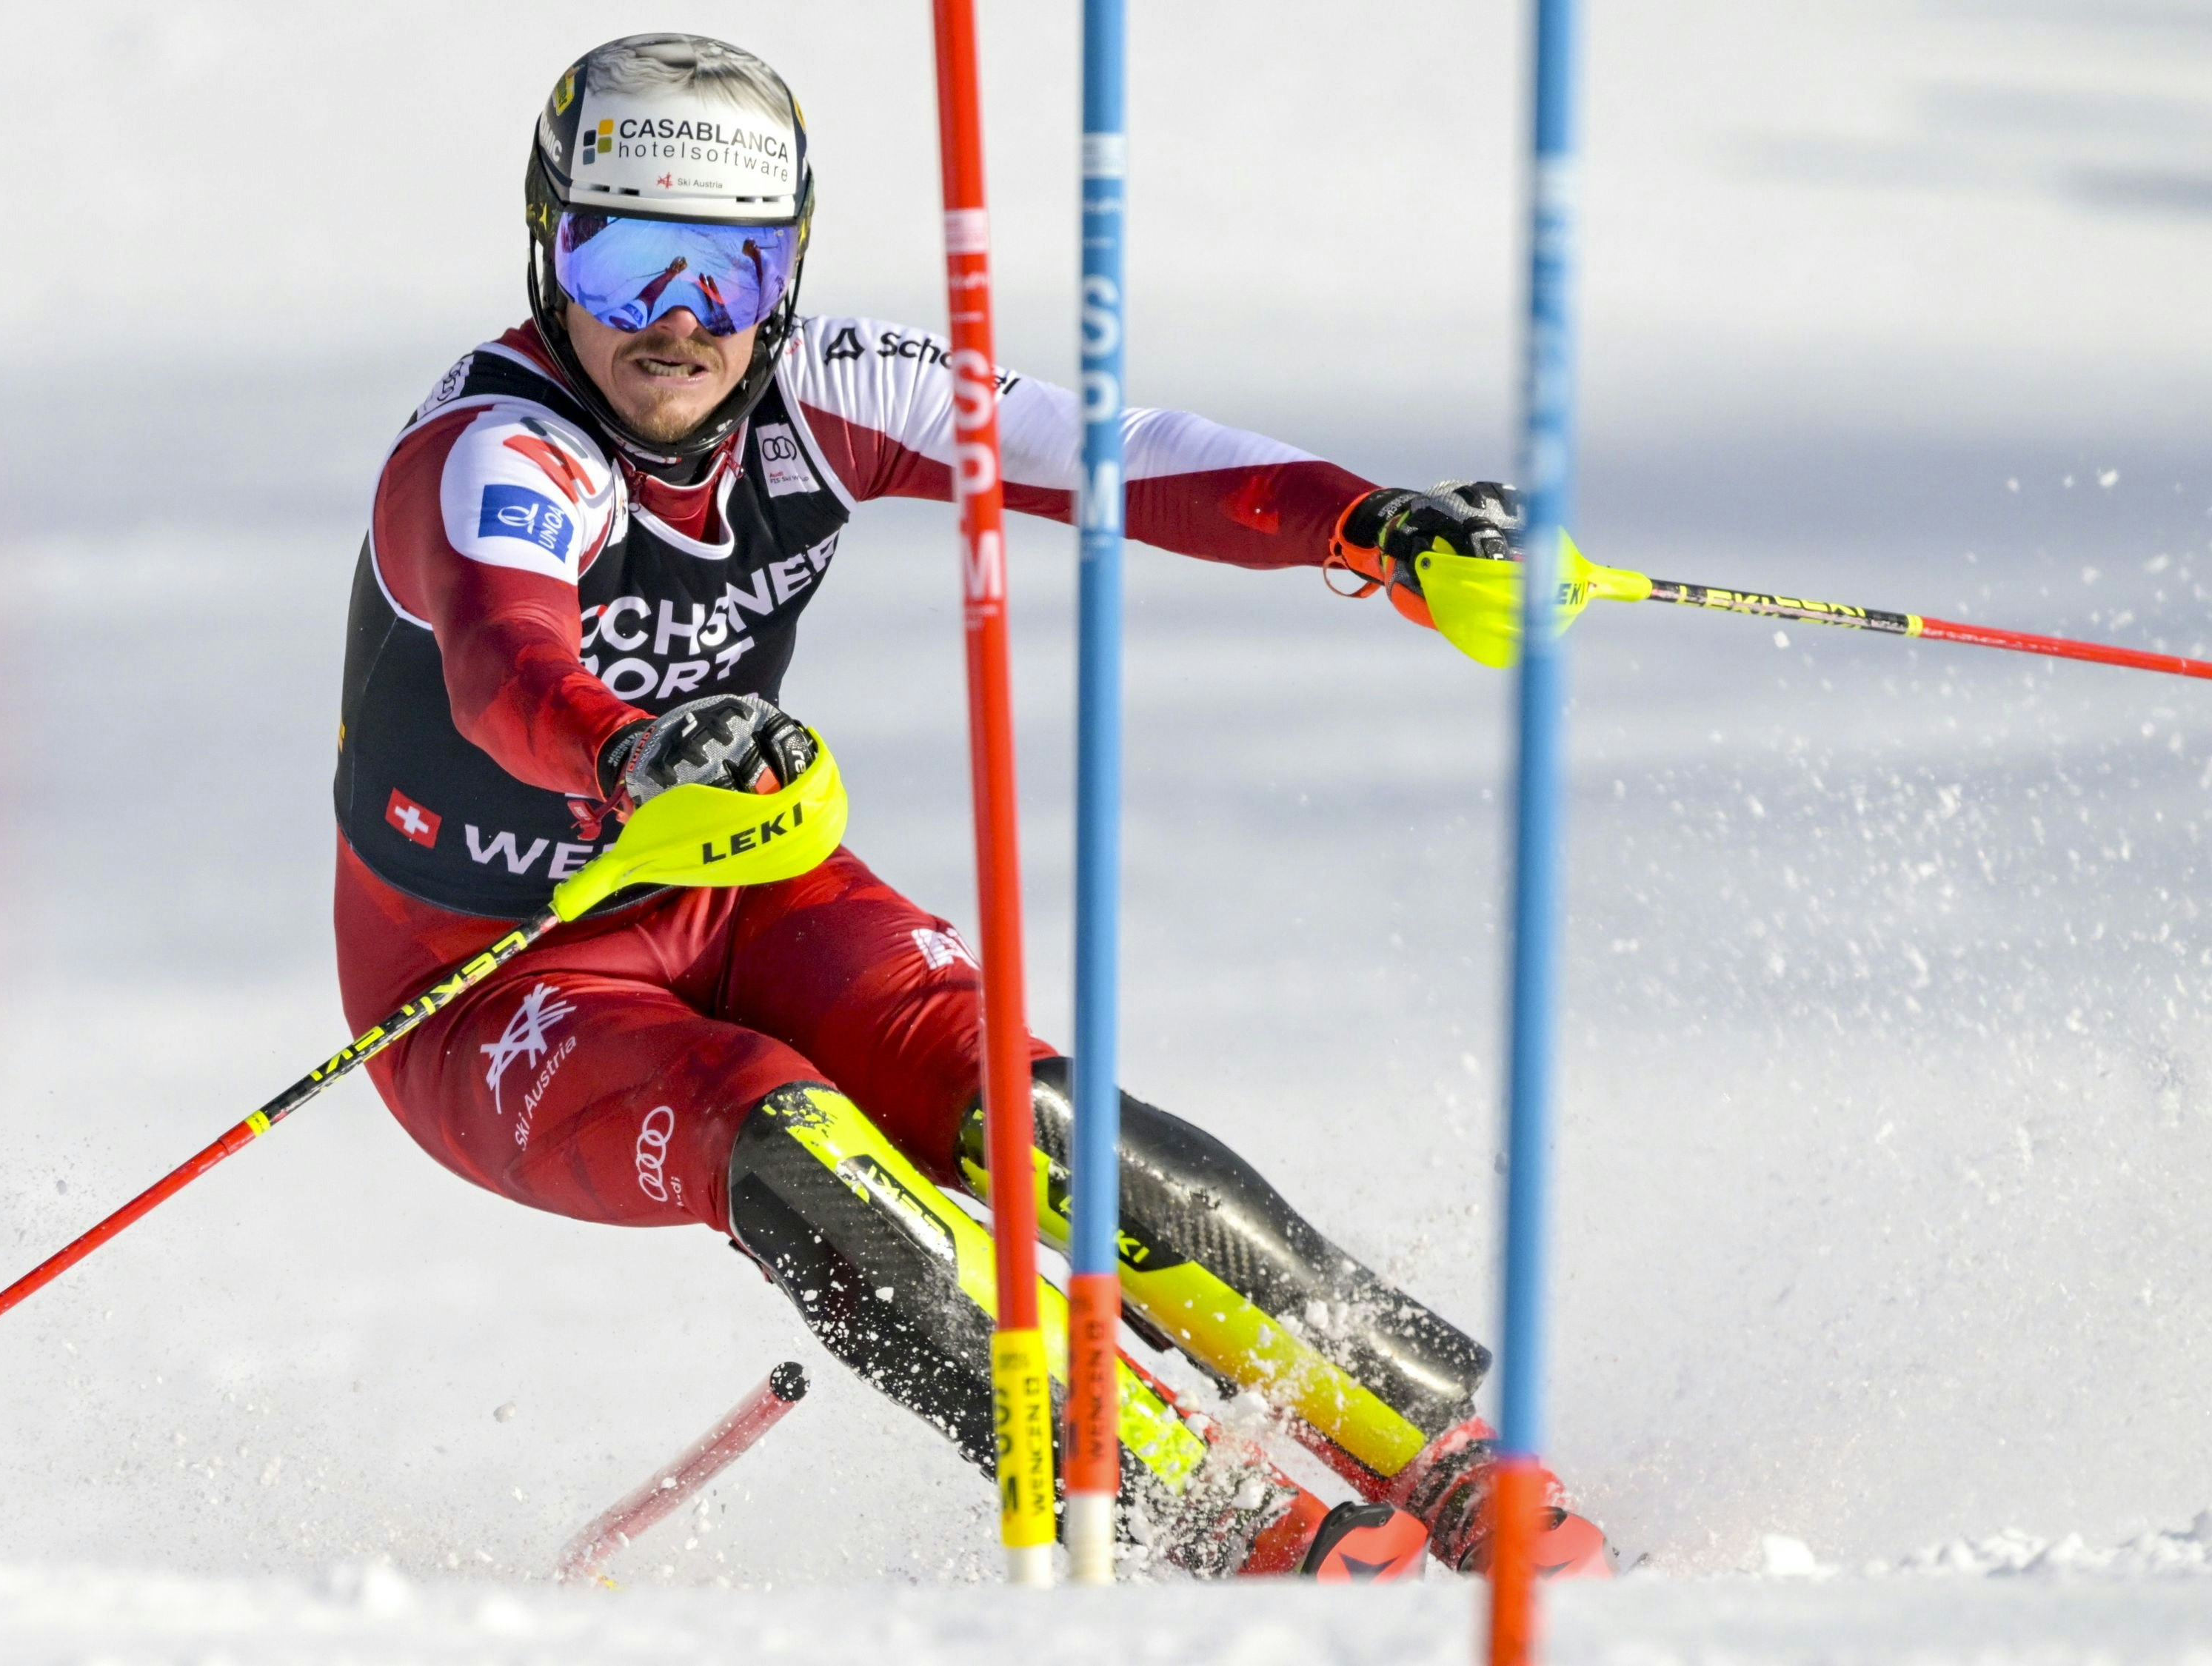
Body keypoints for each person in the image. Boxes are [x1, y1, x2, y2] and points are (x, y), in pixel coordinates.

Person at [333, 30, 1609, 1580]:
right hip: (489, 983)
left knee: (1025, 1115)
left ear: (784, 273)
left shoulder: (828, 393)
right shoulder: (495, 451)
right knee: (786, 1139)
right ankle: (1233, 1530)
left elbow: (1124, 453)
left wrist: (1366, 523)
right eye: (624, 266)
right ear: (549, 251)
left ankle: (1457, 1462)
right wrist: (623, 757)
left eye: (724, 277)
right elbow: (499, 662)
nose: (674, 328)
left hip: (737, 890)